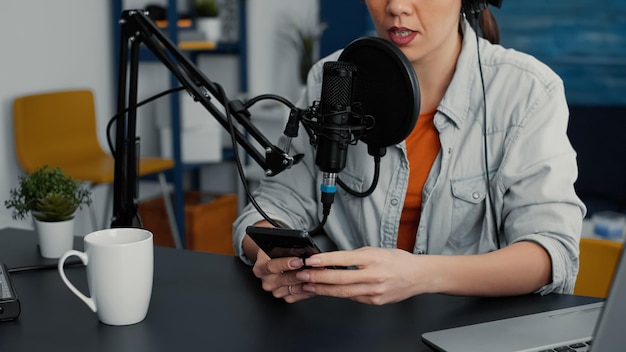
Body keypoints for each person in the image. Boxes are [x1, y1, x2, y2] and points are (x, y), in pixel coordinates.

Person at [233, 0, 585, 305]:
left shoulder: (528, 91)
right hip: (347, 326)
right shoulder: (335, 77)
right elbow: (276, 205)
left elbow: (551, 253)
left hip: (469, 331)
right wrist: (269, 253)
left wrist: (420, 276)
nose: (396, 7)